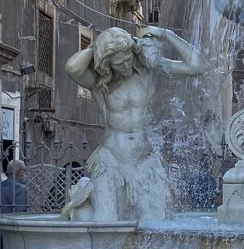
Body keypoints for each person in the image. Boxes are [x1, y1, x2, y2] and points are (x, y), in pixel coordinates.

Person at [64, 25, 209, 221]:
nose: (125, 66)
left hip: (144, 160)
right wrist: (97, 46)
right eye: (119, 63)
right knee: (105, 221)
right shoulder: (100, 82)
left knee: (155, 224)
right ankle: (81, 209)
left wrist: (167, 34)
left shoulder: (150, 70)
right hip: (111, 159)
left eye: (128, 59)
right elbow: (72, 68)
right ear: (108, 64)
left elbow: (199, 66)